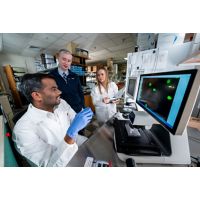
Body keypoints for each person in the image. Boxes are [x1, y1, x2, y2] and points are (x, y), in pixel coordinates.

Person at [12, 73, 93, 167]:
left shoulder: (61, 103)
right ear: (37, 95)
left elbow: (74, 121)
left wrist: (83, 119)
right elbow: (51, 166)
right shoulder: (22, 130)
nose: (60, 92)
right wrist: (70, 135)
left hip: (77, 150)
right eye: (54, 89)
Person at [50, 49, 85, 113]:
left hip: (77, 109)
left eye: (69, 61)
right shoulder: (51, 76)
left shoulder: (75, 76)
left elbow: (80, 93)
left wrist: (83, 107)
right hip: (62, 112)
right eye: (64, 59)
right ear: (58, 58)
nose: (66, 63)